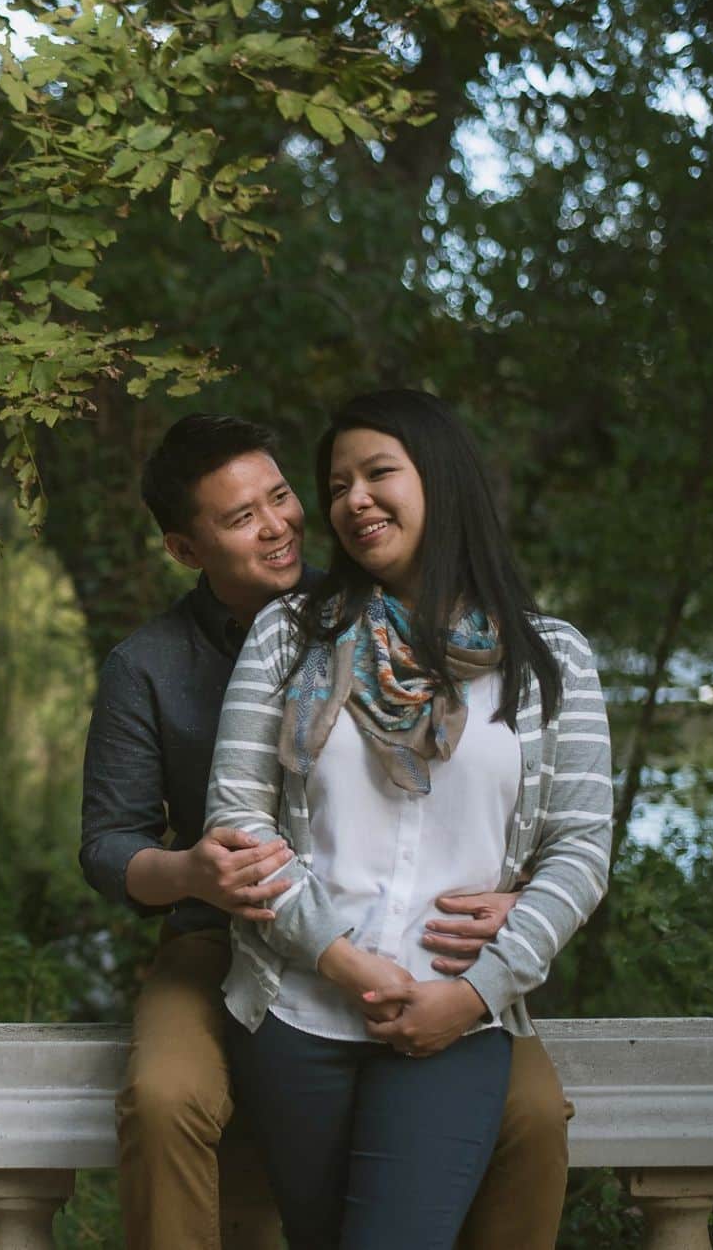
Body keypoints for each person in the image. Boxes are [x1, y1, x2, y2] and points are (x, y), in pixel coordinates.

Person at [79, 411, 575, 1250]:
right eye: (240, 518)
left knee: (531, 1114)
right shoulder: (149, 665)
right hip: (222, 937)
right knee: (166, 1097)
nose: (277, 526)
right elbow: (107, 845)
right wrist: (192, 872)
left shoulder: (369, 606)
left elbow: (491, 803)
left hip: (422, 941)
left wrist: (519, 896)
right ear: (185, 549)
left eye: (281, 498)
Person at [203, 391, 612, 1249]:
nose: (352, 499)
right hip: (300, 1010)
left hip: (455, 1021)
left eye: (378, 472)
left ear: (443, 480)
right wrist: (346, 964)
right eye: (337, 483)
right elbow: (242, 824)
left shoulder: (551, 656)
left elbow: (579, 850)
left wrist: (475, 992)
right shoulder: (289, 635)